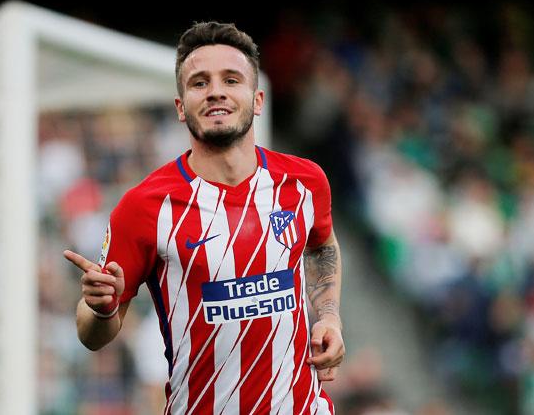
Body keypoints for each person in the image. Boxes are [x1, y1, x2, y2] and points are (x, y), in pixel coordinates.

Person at [64, 21, 345, 414]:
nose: (215, 91)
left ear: (257, 99)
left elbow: (321, 246)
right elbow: (92, 335)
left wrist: (330, 317)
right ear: (181, 108)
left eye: (231, 79)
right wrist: (100, 308)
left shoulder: (304, 182)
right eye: (199, 83)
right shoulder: (145, 206)